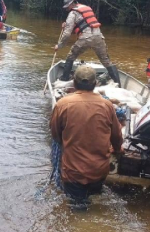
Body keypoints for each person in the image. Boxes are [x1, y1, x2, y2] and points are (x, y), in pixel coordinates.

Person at [49, 65, 124, 211]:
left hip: (73, 172)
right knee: (96, 204)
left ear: (74, 83)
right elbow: (116, 136)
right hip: (99, 170)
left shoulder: (63, 104)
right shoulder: (107, 105)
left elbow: (56, 135)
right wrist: (117, 149)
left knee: (77, 208)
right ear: (95, 84)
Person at [55, 0, 121, 84]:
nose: (66, 8)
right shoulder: (87, 8)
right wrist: (66, 26)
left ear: (72, 3)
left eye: (67, 6)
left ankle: (65, 78)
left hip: (85, 38)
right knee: (106, 61)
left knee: (71, 56)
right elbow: (84, 26)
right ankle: (118, 83)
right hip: (99, 37)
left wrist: (60, 45)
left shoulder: (73, 13)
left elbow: (67, 33)